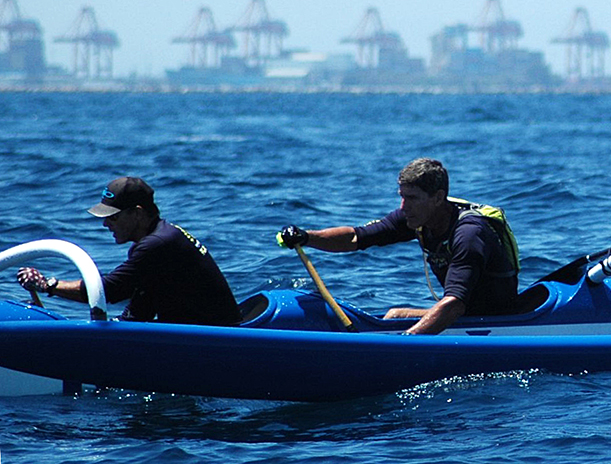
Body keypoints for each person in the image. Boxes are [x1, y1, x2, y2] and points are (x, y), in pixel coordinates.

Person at [276, 157, 519, 335]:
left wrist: (406, 343)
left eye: (412, 198)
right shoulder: (416, 217)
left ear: (437, 197)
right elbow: (356, 238)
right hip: (463, 314)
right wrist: (307, 237)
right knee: (394, 314)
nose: (403, 207)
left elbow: (454, 304)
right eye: (401, 196)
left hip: (494, 321)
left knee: (407, 321)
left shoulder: (469, 234)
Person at [16, 176, 241, 326]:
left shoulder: (157, 244)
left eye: (112, 217)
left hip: (217, 336)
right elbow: (140, 308)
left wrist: (48, 285)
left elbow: (109, 291)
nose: (106, 224)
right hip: (195, 331)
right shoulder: (154, 241)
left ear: (137, 213)